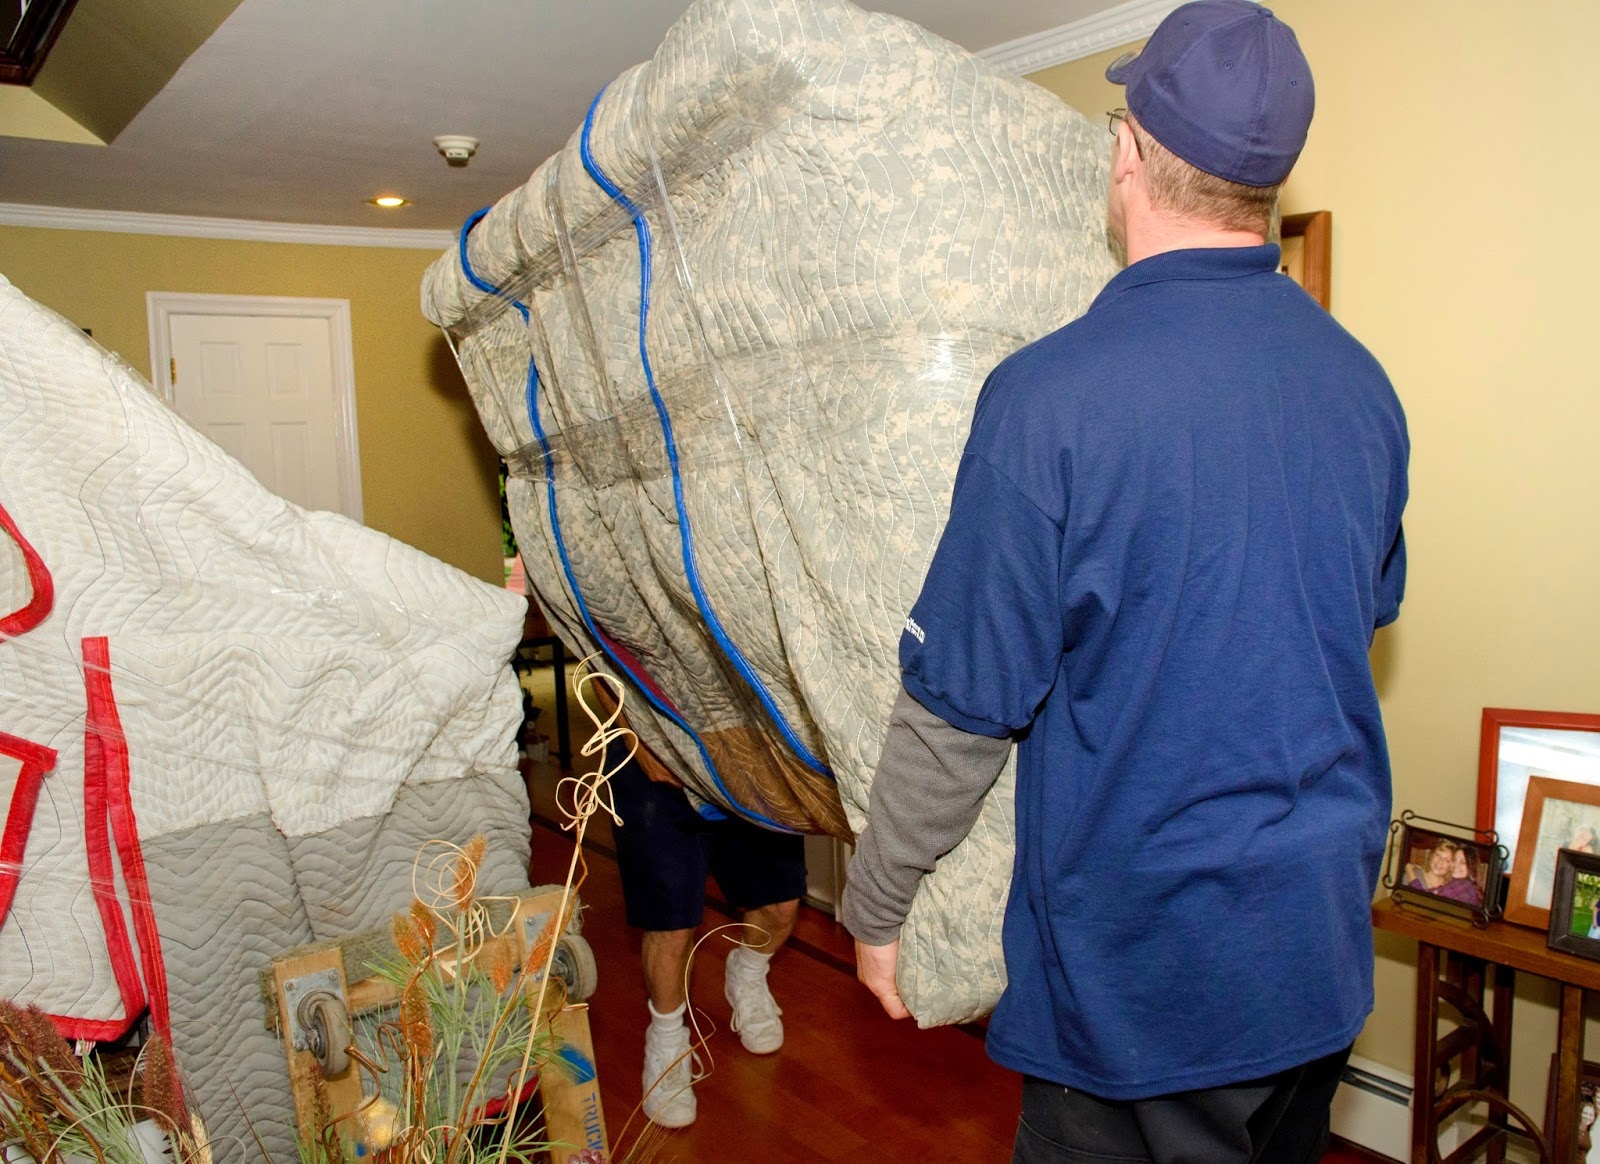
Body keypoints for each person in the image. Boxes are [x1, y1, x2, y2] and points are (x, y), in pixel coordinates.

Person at [839, 3, 1409, 1161]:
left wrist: (877, 901)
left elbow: (959, 709)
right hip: (1312, 955)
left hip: (1146, 984)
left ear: (1128, 152)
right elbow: (1363, 606)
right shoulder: (1362, 386)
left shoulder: (1049, 398)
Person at [607, 746, 804, 1129]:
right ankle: (666, 1040)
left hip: (742, 753)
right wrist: (637, 739)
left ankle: (747, 973)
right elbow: (601, 680)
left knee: (781, 905)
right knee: (671, 924)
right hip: (654, 753)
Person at [1407, 840, 1480, 906]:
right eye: (1454, 860)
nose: (1455, 865)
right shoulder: (1452, 883)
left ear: (1471, 866)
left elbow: (1424, 901)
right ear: (1431, 856)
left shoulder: (1465, 886)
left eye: (1462, 862)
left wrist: (1409, 869)